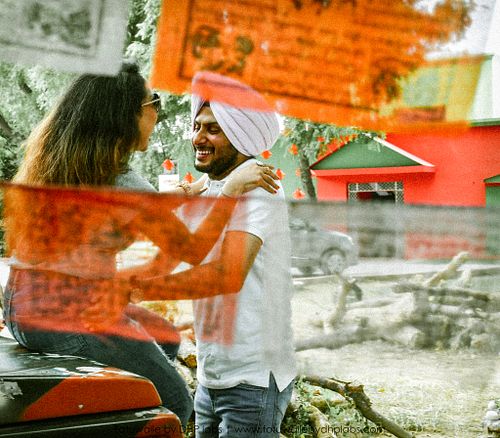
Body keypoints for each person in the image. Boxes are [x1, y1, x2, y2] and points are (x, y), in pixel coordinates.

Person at [2, 63, 279, 428]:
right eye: (154, 103)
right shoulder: (122, 181)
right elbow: (192, 250)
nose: (158, 114)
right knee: (174, 401)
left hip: (21, 305)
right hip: (67, 315)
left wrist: (184, 193)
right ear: (126, 116)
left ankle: (121, 414)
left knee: (167, 339)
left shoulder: (69, 165)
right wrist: (230, 189)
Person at [130, 71, 297, 436]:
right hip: (212, 374)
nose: (198, 138)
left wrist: (142, 289)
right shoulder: (211, 189)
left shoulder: (259, 189)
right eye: (197, 127)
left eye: (213, 130)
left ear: (240, 137)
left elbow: (228, 275)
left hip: (253, 378)